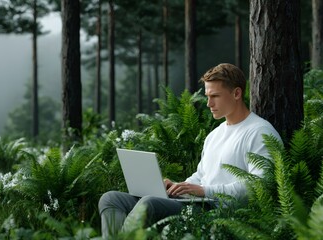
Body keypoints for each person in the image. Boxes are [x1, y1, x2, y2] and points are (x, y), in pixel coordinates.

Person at [98, 63, 282, 238]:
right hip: (195, 201)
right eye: (207, 96)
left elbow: (260, 185)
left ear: (236, 93)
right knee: (111, 199)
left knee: (148, 204)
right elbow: (202, 175)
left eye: (215, 96)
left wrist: (204, 191)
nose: (209, 103)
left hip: (217, 210)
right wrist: (179, 187)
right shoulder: (215, 135)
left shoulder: (259, 131)